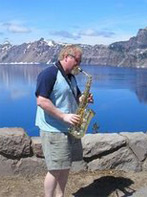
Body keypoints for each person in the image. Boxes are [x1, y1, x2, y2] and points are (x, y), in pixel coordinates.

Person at [35, 44, 93, 197]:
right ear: (67, 57)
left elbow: (76, 96)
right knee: (54, 169)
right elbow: (41, 101)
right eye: (77, 61)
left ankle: (60, 195)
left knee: (65, 166)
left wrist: (84, 98)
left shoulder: (71, 77)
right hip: (53, 129)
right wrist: (63, 116)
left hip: (69, 129)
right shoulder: (49, 74)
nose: (79, 65)